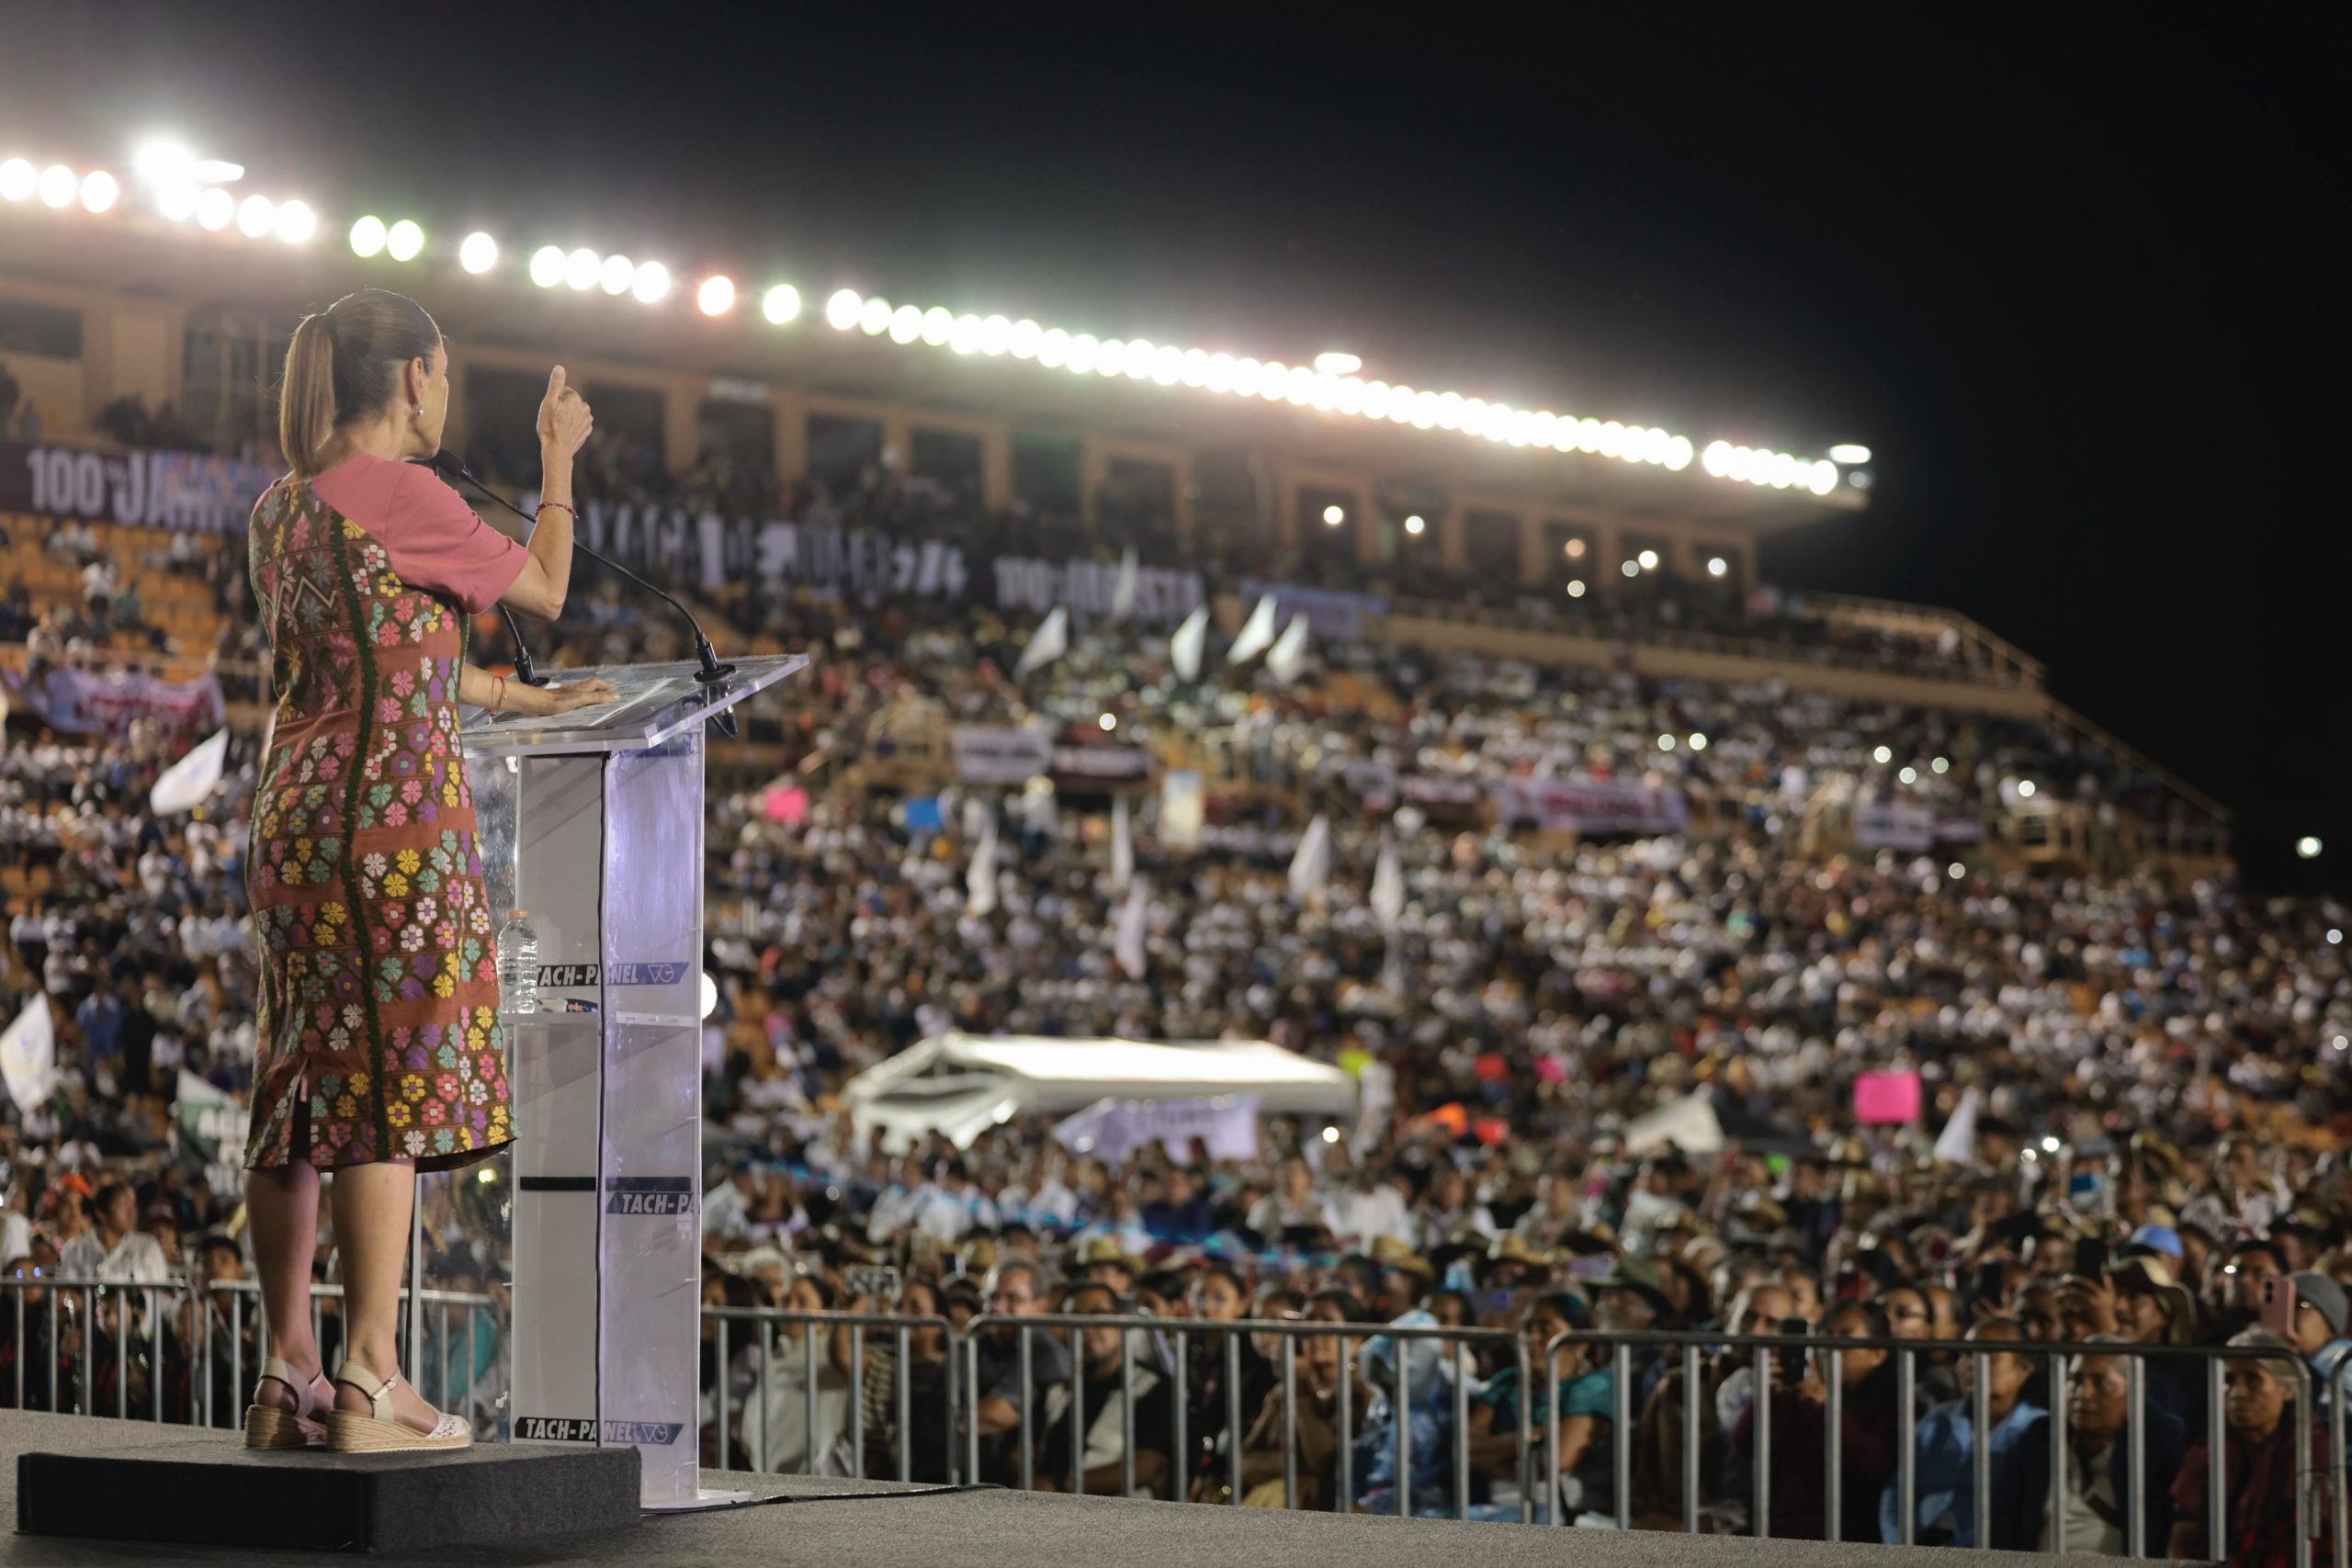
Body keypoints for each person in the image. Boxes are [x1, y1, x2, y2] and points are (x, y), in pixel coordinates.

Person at [238, 288, 612, 1453]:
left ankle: (287, 1375)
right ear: (412, 376)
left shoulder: (281, 510)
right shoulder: (407, 491)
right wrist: (557, 464)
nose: (446, 395)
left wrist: (508, 694)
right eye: (444, 374)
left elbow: (381, 659)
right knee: (388, 1086)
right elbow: (545, 589)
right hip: (391, 830)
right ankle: (372, 1379)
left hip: (294, 817)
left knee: (300, 1080)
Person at [1881, 1317, 2049, 1549]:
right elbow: (1896, 1492)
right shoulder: (1937, 1421)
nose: (1971, 1364)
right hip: (1918, 1547)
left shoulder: (2037, 1429)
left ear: (2024, 1369)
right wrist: (1898, 1546)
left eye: (1988, 1356)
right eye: (1967, 1354)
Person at [2167, 1331, 2329, 1567]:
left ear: (2287, 1389)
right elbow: (2182, 1535)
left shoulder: (2312, 1447)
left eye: (2252, 1379)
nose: (2238, 1393)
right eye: (2229, 1380)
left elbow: (2315, 1544)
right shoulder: (2211, 1444)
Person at [2038, 1339, 2185, 1554]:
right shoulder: (2039, 1439)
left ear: (2135, 1393)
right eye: (2075, 1380)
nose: (2083, 1393)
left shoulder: (2155, 1445)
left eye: (2101, 1383)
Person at [1035, 1280, 1174, 1495]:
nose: (1086, 1328)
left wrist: (1063, 1486)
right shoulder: (1059, 1387)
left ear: (1120, 1320)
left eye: (1097, 1315)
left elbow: (1148, 1465)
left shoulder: (1151, 1385)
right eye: (1074, 1319)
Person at [971, 1259, 1070, 1485]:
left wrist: (935, 1418)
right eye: (993, 1297)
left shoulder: (1043, 1352)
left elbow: (992, 1416)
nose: (998, 1308)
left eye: (1013, 1299)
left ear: (1041, 1305)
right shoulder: (979, 1342)